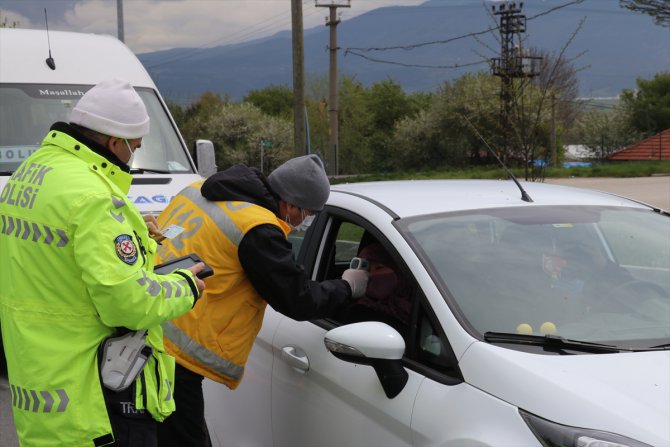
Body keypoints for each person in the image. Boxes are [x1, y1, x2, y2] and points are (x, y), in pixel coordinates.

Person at [0, 78, 206, 447]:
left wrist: (130, 231)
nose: (134, 156)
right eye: (136, 148)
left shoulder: (31, 172)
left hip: (43, 390)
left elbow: (55, 252)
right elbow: (130, 304)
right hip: (93, 402)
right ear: (116, 144)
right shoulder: (93, 197)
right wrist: (186, 286)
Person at [154, 154, 369, 446]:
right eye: (308, 214)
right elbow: (298, 299)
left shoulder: (198, 190)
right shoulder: (258, 229)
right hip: (174, 355)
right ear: (291, 204)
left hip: (147, 323)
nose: (305, 222)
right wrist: (347, 287)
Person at [337, 242, 413, 335]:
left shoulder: (421, 297)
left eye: (379, 268)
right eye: (367, 270)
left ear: (398, 270)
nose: (372, 275)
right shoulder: (359, 313)